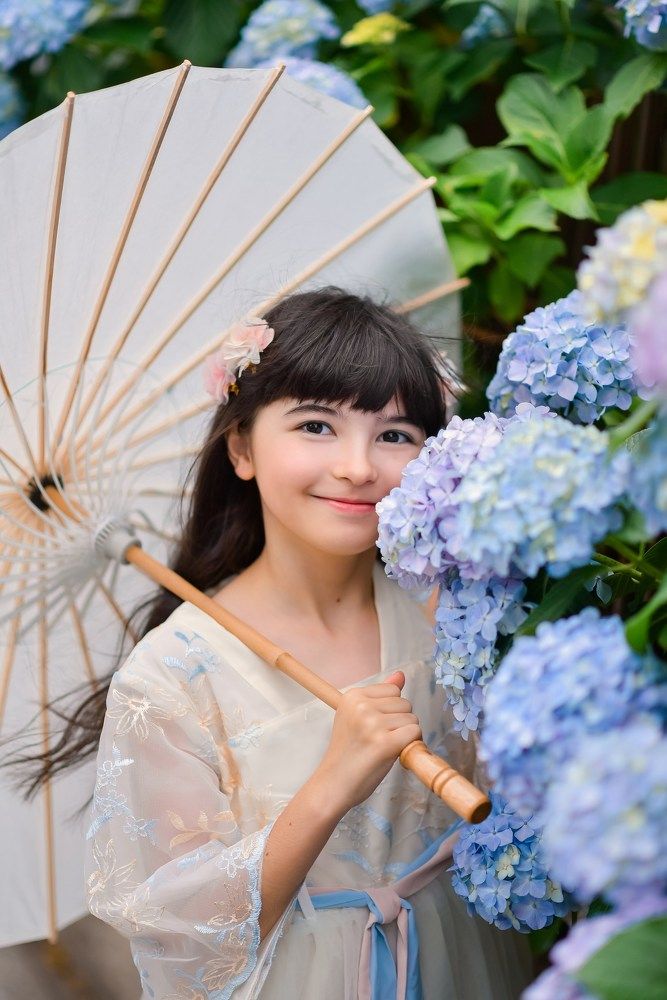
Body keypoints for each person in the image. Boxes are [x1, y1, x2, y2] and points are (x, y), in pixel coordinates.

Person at [81, 285, 532, 999]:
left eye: (394, 434)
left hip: (457, 956)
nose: (357, 466)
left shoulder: (451, 612)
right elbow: (180, 940)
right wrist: (332, 783)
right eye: (316, 426)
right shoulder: (171, 675)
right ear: (240, 447)